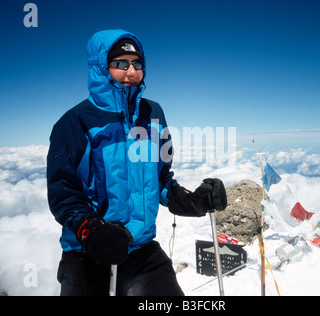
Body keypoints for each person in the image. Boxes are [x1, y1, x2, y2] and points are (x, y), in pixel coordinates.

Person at [47, 29, 227, 296]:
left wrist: (191, 200)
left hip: (142, 249)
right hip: (89, 255)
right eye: (120, 63)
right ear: (101, 67)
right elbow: (64, 195)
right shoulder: (74, 122)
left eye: (137, 63)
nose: (131, 71)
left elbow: (161, 178)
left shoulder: (153, 113)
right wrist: (92, 230)